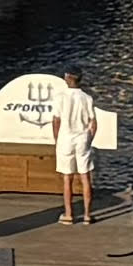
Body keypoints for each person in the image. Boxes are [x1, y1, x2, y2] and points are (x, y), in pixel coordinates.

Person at [51, 70, 100, 226]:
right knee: (85, 176)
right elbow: (93, 123)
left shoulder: (60, 97)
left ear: (67, 78)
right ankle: (87, 215)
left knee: (67, 177)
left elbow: (56, 121)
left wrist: (57, 139)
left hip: (65, 138)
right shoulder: (87, 98)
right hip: (82, 138)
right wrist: (89, 138)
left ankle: (69, 214)